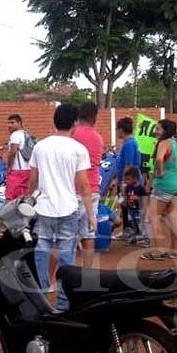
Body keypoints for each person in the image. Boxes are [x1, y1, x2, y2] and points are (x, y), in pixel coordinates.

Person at [27, 104, 95, 312]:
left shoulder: (40, 146)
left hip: (44, 207)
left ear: (54, 121)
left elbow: (33, 181)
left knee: (41, 251)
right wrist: (91, 214)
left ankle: (41, 298)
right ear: (75, 122)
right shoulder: (78, 149)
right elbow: (84, 185)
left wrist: (31, 201)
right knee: (67, 257)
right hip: (68, 208)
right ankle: (64, 304)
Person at [141, 119, 177, 261]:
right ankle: (173, 250)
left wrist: (160, 172)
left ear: (165, 130)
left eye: (158, 129)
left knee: (155, 217)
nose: (155, 131)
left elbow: (159, 159)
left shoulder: (164, 143)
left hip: (164, 185)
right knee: (173, 217)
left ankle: (159, 250)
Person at [73, 102, 105, 268]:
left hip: (73, 189)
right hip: (92, 188)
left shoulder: (73, 134)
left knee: (66, 236)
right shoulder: (98, 138)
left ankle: (66, 273)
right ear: (95, 117)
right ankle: (87, 272)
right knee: (89, 235)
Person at [115, 117, 143, 238]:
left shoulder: (129, 144)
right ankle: (129, 230)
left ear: (121, 130)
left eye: (117, 129)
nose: (116, 132)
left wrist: (124, 183)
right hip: (129, 180)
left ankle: (137, 232)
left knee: (132, 206)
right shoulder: (128, 143)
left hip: (130, 181)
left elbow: (129, 164)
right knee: (126, 206)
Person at [4, 114, 34, 200]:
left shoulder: (15, 135)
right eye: (8, 123)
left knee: (11, 197)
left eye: (12, 123)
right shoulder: (26, 134)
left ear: (19, 123)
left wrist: (9, 167)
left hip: (17, 171)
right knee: (24, 197)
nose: (9, 125)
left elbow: (13, 152)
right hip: (28, 170)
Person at [121, 166, 150, 247]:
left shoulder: (140, 188)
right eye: (126, 179)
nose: (126, 181)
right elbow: (125, 196)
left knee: (141, 224)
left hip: (138, 209)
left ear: (135, 179)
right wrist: (123, 190)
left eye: (128, 179)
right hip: (131, 209)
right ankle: (133, 238)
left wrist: (144, 209)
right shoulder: (128, 187)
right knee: (131, 223)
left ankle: (146, 239)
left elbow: (145, 199)